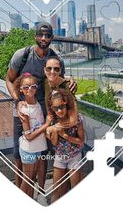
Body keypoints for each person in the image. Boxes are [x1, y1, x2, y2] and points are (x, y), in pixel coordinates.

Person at [6, 22, 77, 191]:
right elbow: (9, 80)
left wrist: (71, 80)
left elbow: (59, 82)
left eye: (47, 35)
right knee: (18, 157)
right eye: (40, 35)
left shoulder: (56, 59)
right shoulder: (21, 55)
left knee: (43, 156)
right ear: (35, 36)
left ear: (52, 38)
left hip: (45, 115)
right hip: (23, 113)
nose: (44, 38)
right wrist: (17, 101)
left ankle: (41, 191)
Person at [13, 72, 52, 197]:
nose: (30, 89)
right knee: (28, 180)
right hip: (29, 149)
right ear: (21, 90)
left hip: (37, 148)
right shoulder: (24, 109)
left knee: (31, 180)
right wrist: (46, 125)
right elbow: (29, 137)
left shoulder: (36, 102)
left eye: (33, 86)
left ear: (36, 87)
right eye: (26, 87)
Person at [46, 88, 85, 203]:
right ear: (52, 108)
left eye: (62, 106)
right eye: (56, 108)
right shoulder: (53, 123)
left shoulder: (77, 119)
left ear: (66, 104)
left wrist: (65, 136)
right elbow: (54, 143)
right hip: (60, 157)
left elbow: (81, 141)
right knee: (55, 191)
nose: (59, 110)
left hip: (75, 157)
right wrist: (54, 131)